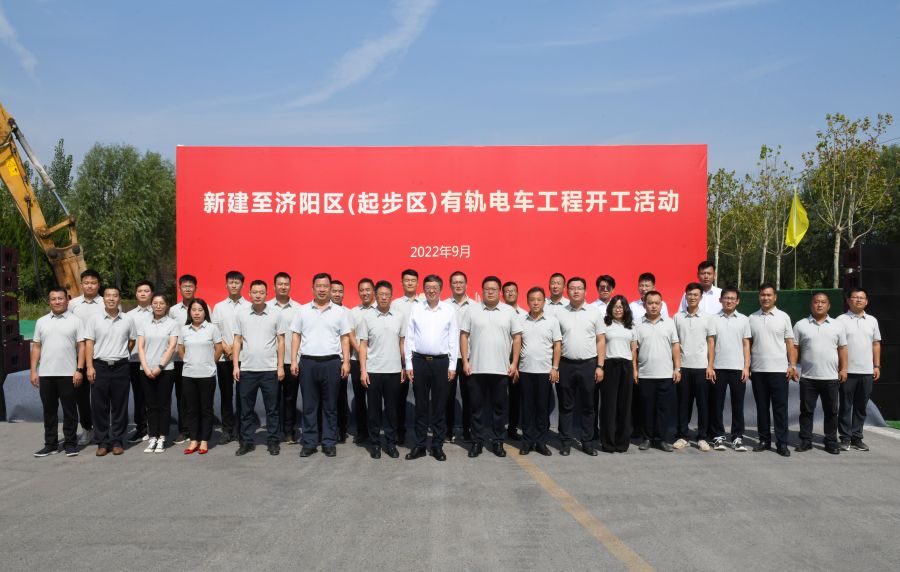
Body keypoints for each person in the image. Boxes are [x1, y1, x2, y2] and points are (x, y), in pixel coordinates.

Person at [291, 273, 352, 458]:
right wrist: (293, 360)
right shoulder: (302, 310)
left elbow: (345, 338)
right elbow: (296, 336)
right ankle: (309, 442)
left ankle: (328, 442)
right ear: (312, 288)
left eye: (326, 286)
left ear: (330, 289)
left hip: (332, 363)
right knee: (309, 406)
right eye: (319, 286)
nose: (322, 289)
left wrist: (346, 362)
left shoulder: (340, 312)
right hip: (308, 362)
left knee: (330, 406)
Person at [460, 276, 522, 458]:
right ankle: (477, 442)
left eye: (494, 289)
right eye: (487, 289)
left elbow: (517, 337)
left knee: (499, 409)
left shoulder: (509, 311)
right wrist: (465, 361)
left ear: (499, 291)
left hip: (501, 369)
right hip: (476, 368)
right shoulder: (472, 310)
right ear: (482, 290)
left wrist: (514, 363)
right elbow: (463, 335)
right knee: (476, 408)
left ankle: (498, 442)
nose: (490, 292)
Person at [404, 274, 458, 461]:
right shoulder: (416, 308)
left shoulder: (449, 310)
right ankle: (419, 445)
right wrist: (408, 363)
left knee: (439, 406)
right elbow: (409, 337)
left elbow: (453, 339)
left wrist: (452, 366)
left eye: (435, 287)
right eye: (428, 287)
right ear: (424, 289)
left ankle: (437, 446)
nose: (431, 291)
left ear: (440, 289)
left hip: (441, 363)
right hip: (419, 362)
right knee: (421, 405)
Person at [233, 280, 286, 456]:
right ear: (249, 293)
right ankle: (246, 442)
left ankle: (273, 441)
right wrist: (236, 365)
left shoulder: (276, 314)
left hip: (270, 369)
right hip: (247, 369)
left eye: (261, 292)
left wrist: (280, 366)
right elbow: (237, 341)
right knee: (246, 409)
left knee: (272, 409)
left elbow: (281, 341)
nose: (258, 295)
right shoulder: (241, 314)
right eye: (255, 292)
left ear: (267, 294)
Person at [30, 287, 84, 457]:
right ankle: (51, 444)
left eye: (60, 298)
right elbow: (36, 347)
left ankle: (70, 443)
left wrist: (79, 369)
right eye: (53, 299)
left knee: (70, 411)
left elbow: (82, 347)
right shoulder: (41, 321)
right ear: (49, 301)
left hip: (68, 374)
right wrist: (33, 371)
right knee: (49, 411)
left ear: (67, 300)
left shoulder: (76, 321)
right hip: (46, 374)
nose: (57, 302)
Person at [82, 286, 136, 456]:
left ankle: (118, 441)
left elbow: (131, 341)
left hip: (121, 367)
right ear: (103, 299)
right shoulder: (94, 319)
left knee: (120, 406)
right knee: (99, 406)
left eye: (115, 295)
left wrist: (120, 354)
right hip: (99, 366)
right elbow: (89, 344)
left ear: (120, 299)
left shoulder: (128, 319)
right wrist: (89, 366)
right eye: (108, 295)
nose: (111, 298)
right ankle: (103, 442)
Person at [555, 276, 606, 456]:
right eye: (572, 288)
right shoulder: (559, 313)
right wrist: (555, 367)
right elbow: (556, 342)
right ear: (567, 291)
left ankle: (587, 442)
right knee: (566, 406)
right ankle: (565, 442)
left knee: (588, 406)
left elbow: (601, 340)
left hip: (589, 365)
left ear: (585, 291)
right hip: (566, 364)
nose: (576, 291)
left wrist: (600, 366)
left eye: (579, 288)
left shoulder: (594, 313)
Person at [792, 292, 848, 455]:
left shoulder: (837, 325)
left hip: (831, 378)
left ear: (828, 306)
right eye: (816, 302)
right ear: (811, 305)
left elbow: (843, 348)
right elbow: (794, 347)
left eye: (823, 302)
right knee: (806, 411)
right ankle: (806, 440)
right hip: (808, 378)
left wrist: (844, 369)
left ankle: (831, 441)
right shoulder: (801, 325)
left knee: (831, 412)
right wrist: (793, 366)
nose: (820, 305)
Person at [358, 280, 406, 459]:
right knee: (374, 411)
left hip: (394, 371)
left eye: (387, 294)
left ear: (391, 296)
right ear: (375, 296)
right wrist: (363, 370)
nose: (384, 297)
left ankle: (391, 444)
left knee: (392, 410)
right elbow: (363, 345)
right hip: (373, 371)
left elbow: (402, 343)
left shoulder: (399, 316)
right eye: (380, 294)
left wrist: (404, 366)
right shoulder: (367, 317)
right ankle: (375, 444)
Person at [748, 283, 797, 457]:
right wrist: (748, 366)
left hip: (779, 370)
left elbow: (790, 343)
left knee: (780, 408)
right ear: (759, 296)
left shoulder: (784, 317)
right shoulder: (752, 318)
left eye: (769, 295)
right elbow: (748, 344)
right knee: (762, 408)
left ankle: (782, 443)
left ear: (775, 297)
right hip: (758, 370)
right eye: (763, 295)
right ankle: (764, 440)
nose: (766, 298)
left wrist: (792, 365)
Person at [633, 291, 681, 452]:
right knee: (646, 408)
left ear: (661, 304)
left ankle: (660, 439)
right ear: (644, 305)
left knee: (663, 409)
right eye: (650, 303)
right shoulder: (637, 324)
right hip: (645, 374)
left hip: (665, 374)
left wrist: (677, 368)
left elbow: (675, 346)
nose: (653, 306)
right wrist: (635, 370)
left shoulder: (669, 323)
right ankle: (647, 438)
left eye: (657, 303)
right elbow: (634, 350)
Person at [673, 282, 716, 452]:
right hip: (683, 367)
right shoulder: (677, 317)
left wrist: (710, 366)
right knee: (683, 404)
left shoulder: (708, 318)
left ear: (700, 297)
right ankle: (682, 435)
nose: (692, 297)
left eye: (695, 295)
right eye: (689, 294)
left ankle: (702, 437)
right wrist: (676, 367)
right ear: (685, 296)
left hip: (702, 367)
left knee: (703, 404)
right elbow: (675, 343)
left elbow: (711, 342)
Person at [836, 288, 881, 451]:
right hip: (847, 371)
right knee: (845, 407)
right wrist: (841, 368)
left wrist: (876, 366)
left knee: (861, 407)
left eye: (862, 298)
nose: (859, 300)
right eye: (855, 297)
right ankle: (845, 438)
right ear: (848, 301)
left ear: (866, 301)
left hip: (867, 371)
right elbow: (837, 345)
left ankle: (857, 438)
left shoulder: (872, 321)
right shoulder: (840, 320)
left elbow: (876, 344)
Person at [517, 287, 560, 456]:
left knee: (542, 409)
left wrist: (555, 368)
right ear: (528, 301)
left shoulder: (552, 321)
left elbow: (557, 345)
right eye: (532, 299)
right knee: (527, 408)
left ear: (544, 302)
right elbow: (517, 344)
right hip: (525, 370)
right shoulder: (521, 320)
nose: (535, 302)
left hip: (544, 371)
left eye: (539, 299)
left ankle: (541, 442)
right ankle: (527, 442)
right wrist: (516, 366)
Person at [178, 299, 223, 455]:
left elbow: (219, 348)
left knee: (206, 408)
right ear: (189, 312)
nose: (197, 313)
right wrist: (189, 361)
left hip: (207, 374)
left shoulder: (212, 328)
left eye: (200, 310)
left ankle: (204, 440)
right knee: (191, 409)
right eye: (194, 310)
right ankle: (193, 440)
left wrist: (210, 362)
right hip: (189, 374)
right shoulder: (184, 329)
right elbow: (181, 350)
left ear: (205, 312)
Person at [709, 287, 751, 452]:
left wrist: (746, 367)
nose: (729, 301)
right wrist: (710, 366)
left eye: (732, 298)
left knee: (737, 405)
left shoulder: (744, 320)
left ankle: (737, 437)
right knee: (717, 405)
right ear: (720, 300)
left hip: (738, 368)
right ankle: (718, 436)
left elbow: (746, 344)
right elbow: (711, 343)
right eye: (726, 298)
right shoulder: (713, 319)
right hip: (718, 368)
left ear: (737, 301)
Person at [136, 293, 178, 453]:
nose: (158, 306)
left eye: (161, 303)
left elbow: (172, 347)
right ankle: (152, 436)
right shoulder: (144, 323)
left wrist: (159, 367)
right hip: (146, 370)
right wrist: (146, 368)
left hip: (165, 370)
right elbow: (140, 347)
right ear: (151, 305)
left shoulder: (172, 324)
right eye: (155, 303)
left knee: (163, 405)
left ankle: (162, 437)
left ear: (166, 305)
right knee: (151, 405)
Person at [211, 271, 248, 445]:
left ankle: (241, 429)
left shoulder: (249, 306)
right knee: (226, 395)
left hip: (243, 357)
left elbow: (248, 331)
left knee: (242, 395)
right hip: (224, 357)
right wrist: (226, 347)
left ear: (242, 285)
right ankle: (227, 430)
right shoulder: (219, 307)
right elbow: (215, 330)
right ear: (226, 284)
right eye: (231, 282)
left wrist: (235, 349)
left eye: (237, 282)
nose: (234, 285)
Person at [68, 268, 103, 447]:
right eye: (86, 283)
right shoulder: (73, 304)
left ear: (99, 285)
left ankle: (102, 429)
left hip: (100, 356)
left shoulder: (106, 302)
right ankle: (87, 428)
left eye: (93, 283)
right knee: (80, 396)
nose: (90, 286)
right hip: (78, 356)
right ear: (81, 285)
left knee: (101, 397)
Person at [599, 295, 637, 453]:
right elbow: (600, 345)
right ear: (610, 308)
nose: (618, 309)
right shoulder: (604, 324)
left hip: (626, 366)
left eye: (621, 306)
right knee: (609, 405)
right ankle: (608, 442)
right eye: (615, 306)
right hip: (609, 365)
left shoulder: (631, 326)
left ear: (625, 308)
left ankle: (622, 443)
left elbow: (633, 350)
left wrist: (634, 370)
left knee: (624, 405)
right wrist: (600, 366)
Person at [267, 272, 301, 444]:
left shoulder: (298, 308)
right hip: (269, 362)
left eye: (286, 284)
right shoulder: (265, 306)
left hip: (291, 360)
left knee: (290, 398)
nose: (283, 287)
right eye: (280, 284)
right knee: (272, 401)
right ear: (274, 286)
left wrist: (296, 359)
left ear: (290, 286)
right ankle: (273, 433)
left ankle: (289, 431)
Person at [391, 268, 424, 442]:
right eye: (407, 280)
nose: (410, 283)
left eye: (413, 280)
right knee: (399, 396)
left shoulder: (425, 302)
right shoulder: (395, 304)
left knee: (422, 397)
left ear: (418, 283)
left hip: (422, 355)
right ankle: (399, 431)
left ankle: (421, 433)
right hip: (400, 355)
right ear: (402, 283)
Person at [168, 274, 198, 446]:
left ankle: (197, 429)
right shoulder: (173, 310)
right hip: (179, 360)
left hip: (197, 359)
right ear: (179, 289)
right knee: (182, 396)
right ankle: (184, 429)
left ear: (195, 288)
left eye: (190, 286)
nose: (187, 289)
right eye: (184, 286)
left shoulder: (201, 307)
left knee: (197, 396)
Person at [445, 270, 473, 442]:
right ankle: (447, 431)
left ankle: (468, 431)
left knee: (469, 396)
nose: (458, 285)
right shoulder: (443, 306)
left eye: (461, 282)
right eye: (454, 282)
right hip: (449, 358)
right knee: (447, 396)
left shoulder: (475, 306)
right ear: (450, 285)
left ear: (466, 284)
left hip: (469, 358)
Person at [348, 278, 377, 444]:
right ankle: (362, 431)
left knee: (375, 399)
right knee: (360, 398)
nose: (365, 293)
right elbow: (351, 334)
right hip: (356, 360)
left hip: (376, 361)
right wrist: (360, 352)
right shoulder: (353, 312)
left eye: (368, 290)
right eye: (362, 290)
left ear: (373, 291)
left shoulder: (381, 309)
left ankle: (375, 431)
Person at [126, 280, 154, 443]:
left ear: (152, 293)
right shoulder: (129, 315)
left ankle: (155, 428)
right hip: (135, 361)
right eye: (140, 291)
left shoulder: (158, 311)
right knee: (139, 396)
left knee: (154, 395)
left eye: (146, 291)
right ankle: (141, 428)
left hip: (153, 361)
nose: (143, 293)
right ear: (136, 294)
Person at [591, 274, 616, 441]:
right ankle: (592, 429)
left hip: (612, 357)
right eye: (602, 287)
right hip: (595, 357)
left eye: (608, 287)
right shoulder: (592, 308)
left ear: (612, 289)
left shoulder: (619, 306)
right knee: (592, 397)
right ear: (597, 289)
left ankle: (608, 430)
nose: (605, 290)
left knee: (610, 398)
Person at [502, 280, 526, 440]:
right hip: (500, 358)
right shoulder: (500, 312)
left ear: (518, 293)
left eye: (513, 291)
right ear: (503, 294)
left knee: (515, 397)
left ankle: (512, 428)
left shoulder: (524, 315)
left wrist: (516, 364)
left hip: (517, 360)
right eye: (507, 291)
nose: (510, 293)